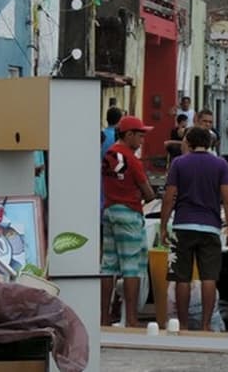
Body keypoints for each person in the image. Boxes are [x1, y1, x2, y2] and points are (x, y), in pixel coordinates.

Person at [160, 127, 228, 332]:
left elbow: (169, 197)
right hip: (210, 227)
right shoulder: (220, 164)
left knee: (181, 277)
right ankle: (205, 325)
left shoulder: (178, 163)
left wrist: (163, 226)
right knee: (209, 277)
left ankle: (183, 325)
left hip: (183, 225)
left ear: (189, 142)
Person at [100, 116, 157, 326]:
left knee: (108, 266)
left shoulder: (109, 154)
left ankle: (103, 317)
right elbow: (149, 194)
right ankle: (132, 318)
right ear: (129, 134)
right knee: (131, 267)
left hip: (109, 210)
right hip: (129, 214)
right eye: (140, 135)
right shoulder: (132, 160)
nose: (142, 140)